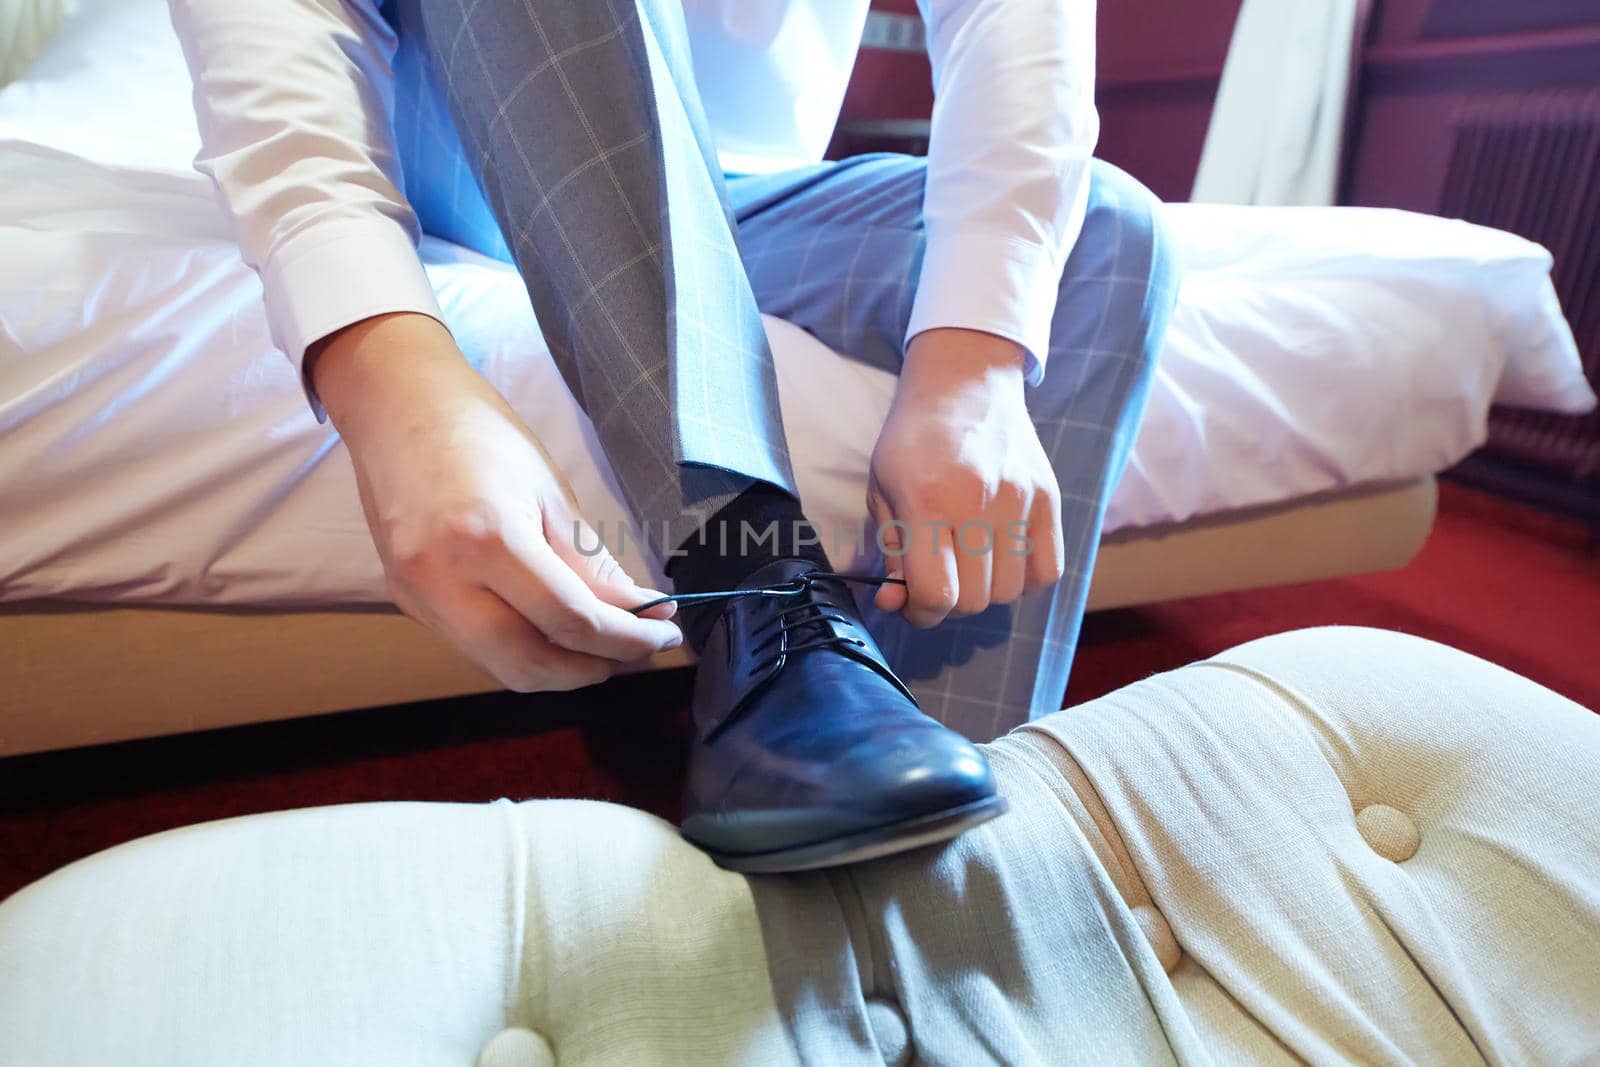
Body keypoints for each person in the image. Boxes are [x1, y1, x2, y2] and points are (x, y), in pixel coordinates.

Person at [166, 0, 1176, 872]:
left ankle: (936, 892)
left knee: (1106, 239)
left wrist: (972, 369)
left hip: (729, 190)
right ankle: (760, 594)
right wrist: (391, 377)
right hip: (470, 149)